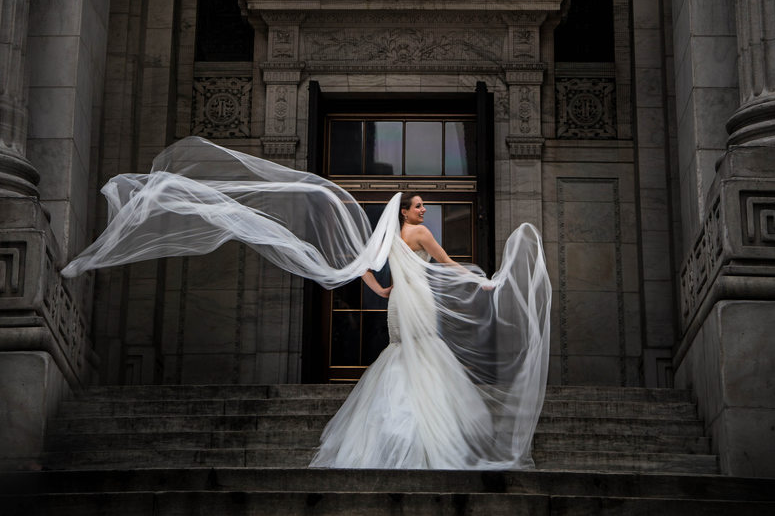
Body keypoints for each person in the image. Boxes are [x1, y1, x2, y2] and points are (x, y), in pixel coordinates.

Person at [61, 136, 551, 470]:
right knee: (418, 354)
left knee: (405, 355)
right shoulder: (418, 233)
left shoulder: (392, 235)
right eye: (419, 204)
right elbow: (447, 263)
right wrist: (482, 282)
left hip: (400, 302)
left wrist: (380, 292)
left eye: (422, 205)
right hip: (412, 301)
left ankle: (403, 433)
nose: (423, 209)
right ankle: (427, 435)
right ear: (407, 211)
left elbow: (363, 262)